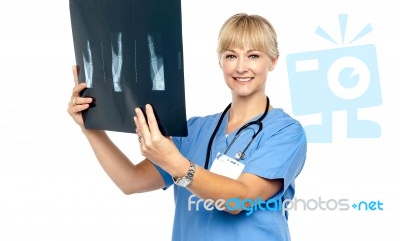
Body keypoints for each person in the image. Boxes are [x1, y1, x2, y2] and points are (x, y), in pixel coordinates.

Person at [67, 13, 307, 241]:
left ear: (273, 61)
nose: (241, 67)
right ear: (220, 61)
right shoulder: (194, 129)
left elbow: (240, 199)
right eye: (231, 55)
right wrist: (91, 129)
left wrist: (177, 164)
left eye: (253, 56)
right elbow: (131, 181)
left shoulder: (285, 133)